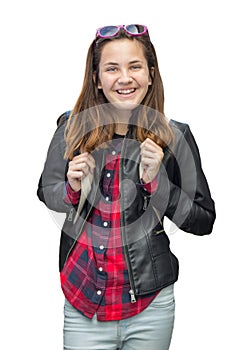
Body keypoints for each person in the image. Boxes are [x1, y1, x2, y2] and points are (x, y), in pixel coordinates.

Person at [37, 24, 216, 350]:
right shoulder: (70, 127)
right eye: (111, 68)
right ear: (96, 78)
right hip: (83, 303)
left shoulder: (176, 136)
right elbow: (47, 190)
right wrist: (71, 188)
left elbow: (203, 220)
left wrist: (157, 184)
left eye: (134, 66)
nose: (124, 77)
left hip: (151, 308)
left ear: (150, 74)